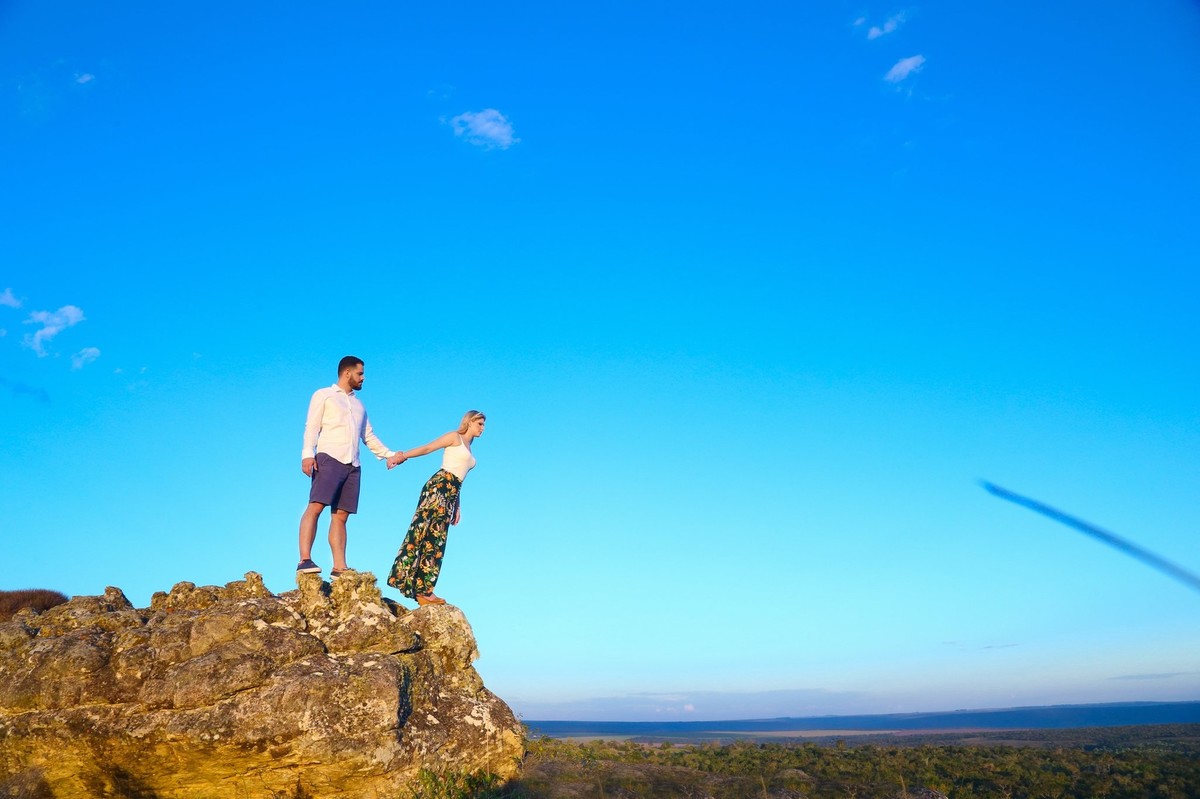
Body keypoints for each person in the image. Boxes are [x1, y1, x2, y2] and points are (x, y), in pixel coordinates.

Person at [297, 355, 405, 577]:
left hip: (353, 464)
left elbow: (368, 436)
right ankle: (305, 560)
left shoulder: (359, 404)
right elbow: (312, 426)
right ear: (347, 373)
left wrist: (389, 455)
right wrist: (308, 454)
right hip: (328, 458)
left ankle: (340, 568)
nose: (363, 378)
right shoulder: (324, 395)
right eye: (360, 373)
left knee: (341, 516)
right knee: (316, 506)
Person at [387, 410, 486, 605]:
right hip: (438, 487)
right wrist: (402, 456)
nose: (482, 429)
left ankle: (424, 588)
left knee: (437, 540)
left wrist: (457, 504)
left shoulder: (470, 446)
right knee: (424, 534)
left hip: (451, 493)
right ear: (470, 422)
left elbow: (460, 478)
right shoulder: (454, 437)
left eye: (483, 425)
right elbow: (428, 448)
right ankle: (416, 586)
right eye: (479, 424)